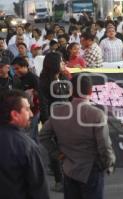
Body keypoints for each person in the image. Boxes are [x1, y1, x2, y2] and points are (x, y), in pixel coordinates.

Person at [40, 74, 116, 199]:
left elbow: (43, 136)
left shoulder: (58, 112)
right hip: (91, 169)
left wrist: (59, 155)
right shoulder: (96, 114)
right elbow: (104, 146)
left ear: (70, 91)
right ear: (91, 91)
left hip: (68, 168)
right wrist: (109, 164)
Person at [0, 89, 50, 199]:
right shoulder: (27, 147)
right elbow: (39, 191)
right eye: (27, 109)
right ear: (14, 114)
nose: (31, 114)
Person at [39, 52, 70, 192]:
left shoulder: (64, 77)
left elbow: (69, 98)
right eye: (61, 61)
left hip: (68, 119)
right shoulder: (44, 81)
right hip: (53, 120)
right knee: (56, 150)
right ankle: (59, 180)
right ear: (53, 64)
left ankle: (69, 178)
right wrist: (47, 122)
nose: (64, 63)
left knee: (67, 149)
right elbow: (43, 104)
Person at [12, 57, 40, 143]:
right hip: (21, 110)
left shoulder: (33, 78)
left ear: (25, 66)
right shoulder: (16, 78)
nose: (16, 71)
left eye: (17, 68)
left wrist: (32, 93)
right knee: (32, 135)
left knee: (29, 135)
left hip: (33, 111)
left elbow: (40, 94)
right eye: (14, 69)